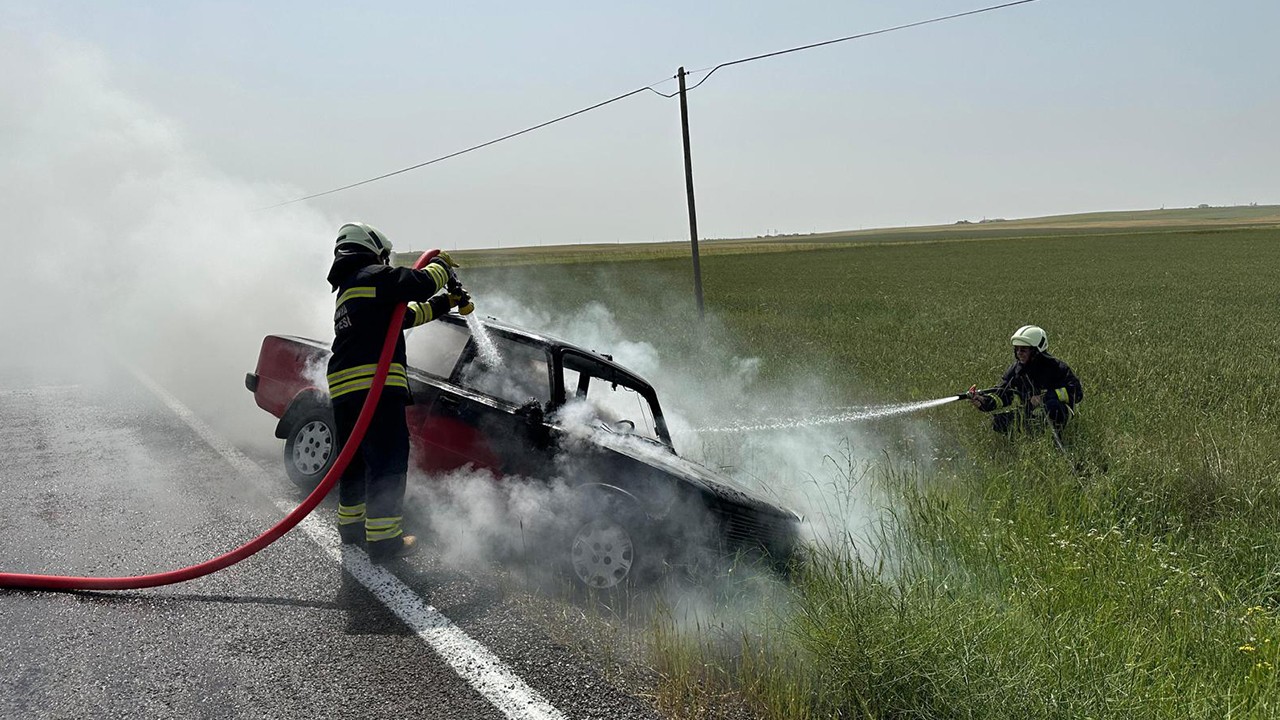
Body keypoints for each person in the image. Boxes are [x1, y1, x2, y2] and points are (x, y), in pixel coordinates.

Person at [325, 222, 467, 563]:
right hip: (373, 386)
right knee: (387, 460)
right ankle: (385, 540)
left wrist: (445, 303)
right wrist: (441, 264)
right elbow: (420, 284)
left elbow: (403, 317)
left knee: (354, 460)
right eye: (385, 256)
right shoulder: (373, 275)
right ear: (373, 249)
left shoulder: (350, 288)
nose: (386, 261)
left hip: (345, 389)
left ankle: (351, 528)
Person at [970, 325, 1083, 436]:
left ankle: (1055, 437)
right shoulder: (1016, 370)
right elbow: (1003, 395)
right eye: (1017, 349)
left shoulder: (1057, 368)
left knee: (1053, 407)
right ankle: (1028, 439)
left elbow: (1077, 393)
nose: (1019, 353)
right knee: (999, 421)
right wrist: (983, 401)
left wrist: (1044, 398)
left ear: (1036, 350)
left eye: (1023, 350)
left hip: (1057, 411)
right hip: (1030, 411)